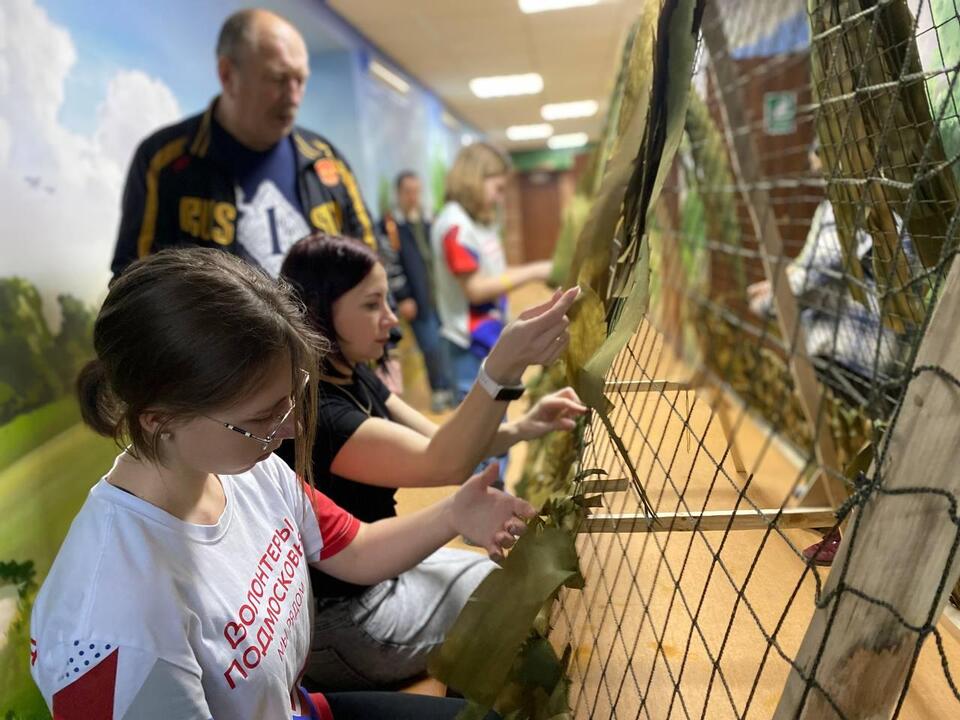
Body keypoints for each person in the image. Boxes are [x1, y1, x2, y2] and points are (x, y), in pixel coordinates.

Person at [29, 248, 527, 720]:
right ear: (159, 419)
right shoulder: (111, 621)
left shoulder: (243, 464)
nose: (289, 429)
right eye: (265, 416)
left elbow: (354, 549)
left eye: (293, 400)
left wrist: (455, 512)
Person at [277, 234, 585, 691]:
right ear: (319, 311)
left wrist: (521, 427)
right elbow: (444, 463)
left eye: (388, 300)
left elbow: (437, 439)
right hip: (344, 618)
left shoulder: (351, 370)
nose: (390, 319)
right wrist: (502, 367)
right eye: (370, 304)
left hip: (379, 572)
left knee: (498, 573)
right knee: (505, 597)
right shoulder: (318, 414)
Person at [110, 8, 407, 299]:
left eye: (300, 80)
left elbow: (371, 263)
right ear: (227, 75)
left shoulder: (325, 160)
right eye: (278, 79)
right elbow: (130, 284)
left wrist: (383, 342)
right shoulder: (164, 162)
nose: (293, 97)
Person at [746, 141, 912, 566]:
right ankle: (845, 510)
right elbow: (816, 277)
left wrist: (771, 297)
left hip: (859, 355)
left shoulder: (849, 211)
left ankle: (856, 530)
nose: (815, 171)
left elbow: (809, 275)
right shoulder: (885, 203)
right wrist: (780, 286)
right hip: (884, 349)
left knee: (860, 432)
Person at [432, 143, 553, 486]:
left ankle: (495, 499)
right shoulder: (455, 225)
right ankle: (480, 506)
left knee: (496, 424)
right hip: (467, 346)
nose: (500, 198)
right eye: (497, 188)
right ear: (476, 179)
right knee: (477, 434)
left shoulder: (478, 223)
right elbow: (475, 288)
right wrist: (535, 270)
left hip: (489, 339)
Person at [380, 171, 455, 412]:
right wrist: (403, 297)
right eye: (408, 192)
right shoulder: (390, 225)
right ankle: (439, 391)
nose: (413, 197)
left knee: (446, 345)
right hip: (416, 301)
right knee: (431, 347)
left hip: (440, 298)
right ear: (399, 194)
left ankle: (452, 389)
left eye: (416, 191)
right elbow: (389, 265)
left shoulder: (429, 220)